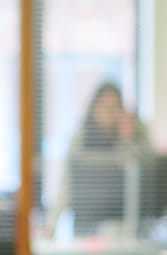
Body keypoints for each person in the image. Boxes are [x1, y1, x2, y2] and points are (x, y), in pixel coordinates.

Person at [47, 82, 153, 238]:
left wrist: (126, 138)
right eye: (104, 106)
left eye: (115, 107)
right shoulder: (81, 138)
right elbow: (66, 184)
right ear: (94, 108)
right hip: (88, 226)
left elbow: (142, 174)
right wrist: (51, 225)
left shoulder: (134, 132)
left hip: (127, 223)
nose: (109, 112)